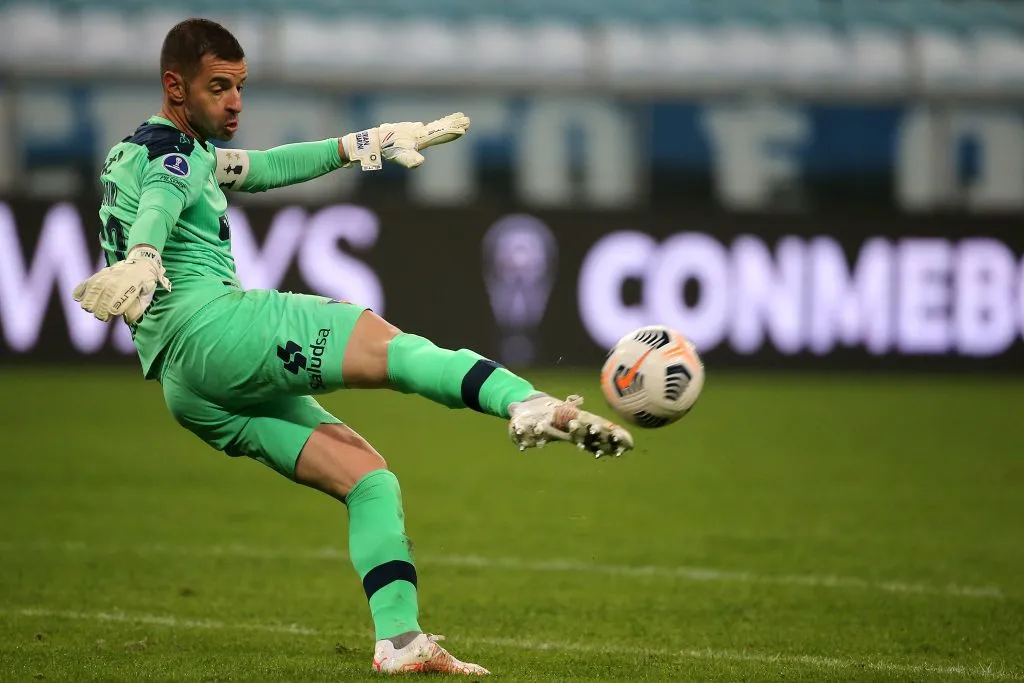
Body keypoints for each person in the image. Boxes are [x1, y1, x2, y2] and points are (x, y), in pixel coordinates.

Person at [72, 17, 633, 676]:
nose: (235, 103)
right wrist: (144, 251)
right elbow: (161, 205)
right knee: (395, 349)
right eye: (218, 87)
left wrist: (359, 143)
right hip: (215, 331)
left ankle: (400, 641)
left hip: (186, 387)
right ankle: (530, 403)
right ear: (175, 85)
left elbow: (259, 169)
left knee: (370, 479)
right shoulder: (173, 155)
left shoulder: (139, 150)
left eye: (240, 87)